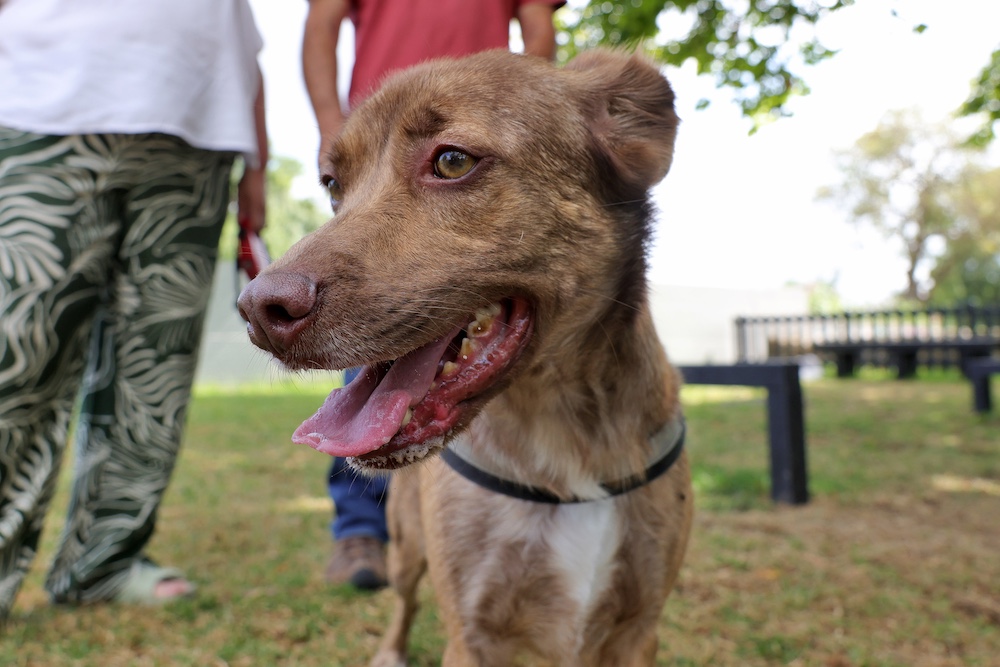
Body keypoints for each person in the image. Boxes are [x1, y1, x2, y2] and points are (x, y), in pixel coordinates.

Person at [0, 0, 268, 620]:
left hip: (198, 133)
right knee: (19, 355)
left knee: (155, 365)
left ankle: (103, 565)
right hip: (46, 112)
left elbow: (240, 35)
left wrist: (257, 157)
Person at [301, 0, 563, 591]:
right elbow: (321, 24)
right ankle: (360, 527)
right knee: (370, 324)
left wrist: (531, 107)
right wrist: (331, 126)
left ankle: (499, 505)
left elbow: (537, 23)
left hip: (474, 147)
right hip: (378, 151)